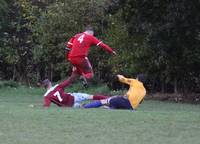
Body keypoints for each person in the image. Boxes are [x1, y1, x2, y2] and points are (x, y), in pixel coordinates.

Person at [40, 79, 108, 108]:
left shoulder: (46, 96)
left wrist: (40, 107)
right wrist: (75, 72)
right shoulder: (57, 86)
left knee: (85, 106)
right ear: (50, 83)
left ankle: (103, 104)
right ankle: (107, 99)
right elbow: (68, 81)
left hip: (68, 106)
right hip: (73, 97)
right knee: (90, 97)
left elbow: (47, 105)